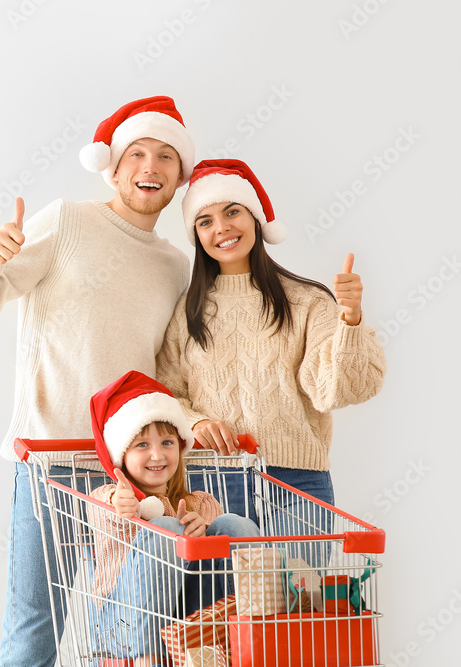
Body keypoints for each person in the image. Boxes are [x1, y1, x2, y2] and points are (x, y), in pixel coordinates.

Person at [0, 96, 195, 667]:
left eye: (166, 157)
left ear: (180, 178)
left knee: (131, 633)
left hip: (134, 471)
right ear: (112, 165)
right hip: (50, 458)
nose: (150, 168)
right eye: (137, 153)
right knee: (37, 625)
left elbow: (164, 373)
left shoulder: (174, 266)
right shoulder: (66, 221)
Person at [155, 159, 387, 554]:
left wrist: (349, 321)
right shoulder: (187, 312)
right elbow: (165, 395)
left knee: (296, 609)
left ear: (256, 220)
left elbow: (338, 391)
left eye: (232, 212)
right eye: (205, 221)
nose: (222, 228)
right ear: (196, 235)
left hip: (297, 483)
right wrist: (197, 422)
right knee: (222, 612)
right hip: (211, 483)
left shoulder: (307, 302)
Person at [87, 371, 259, 667]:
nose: (157, 454)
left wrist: (202, 534)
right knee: (166, 529)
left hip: (192, 624)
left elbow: (213, 563)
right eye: (142, 445)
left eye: (167, 442)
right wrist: (120, 504)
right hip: (123, 628)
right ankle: (148, 660)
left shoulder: (200, 503)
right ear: (121, 455)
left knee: (234, 527)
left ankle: (251, 645)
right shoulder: (108, 497)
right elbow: (105, 512)